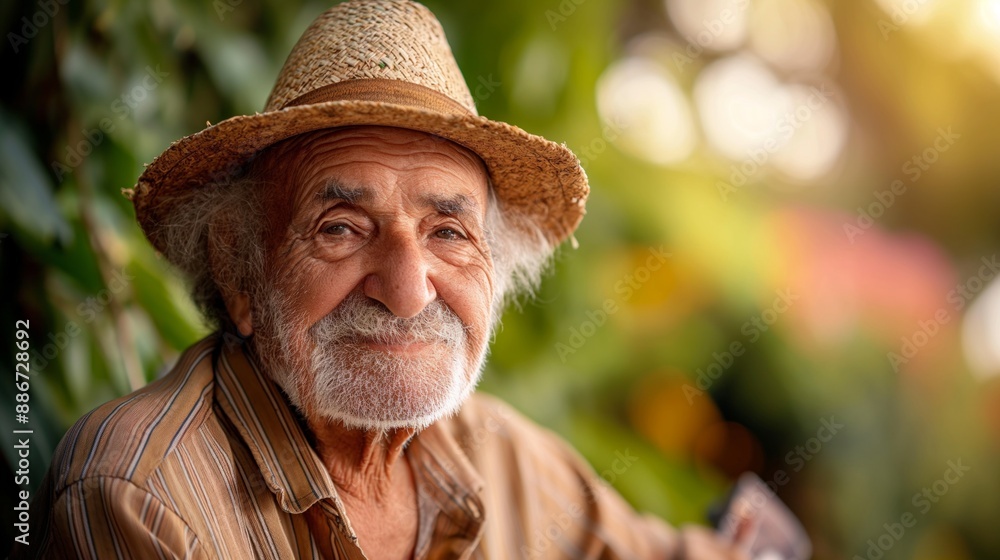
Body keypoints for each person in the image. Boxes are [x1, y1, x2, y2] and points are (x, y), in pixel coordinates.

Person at [13, 1, 748, 558]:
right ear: (240, 267)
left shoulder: (503, 456)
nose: (407, 290)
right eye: (341, 229)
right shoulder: (140, 495)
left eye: (448, 234)